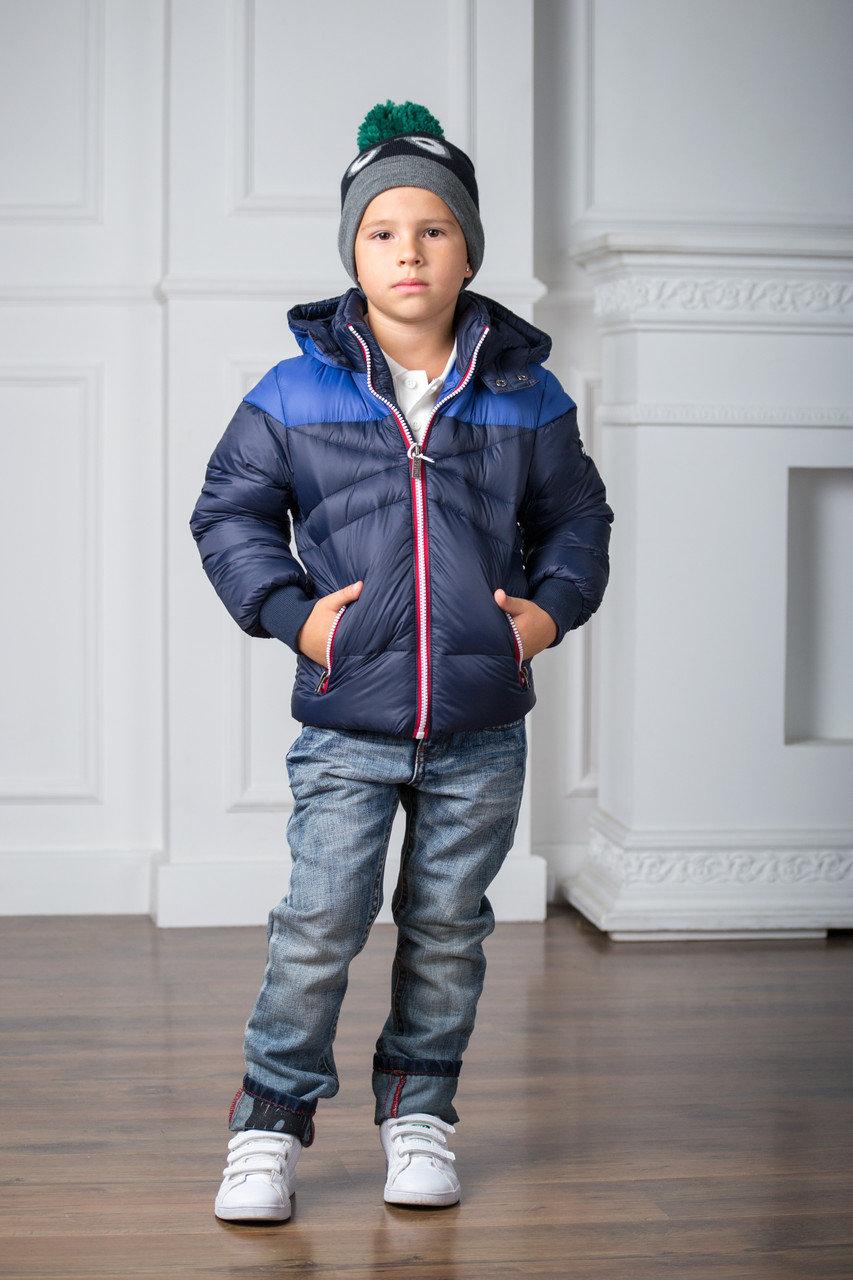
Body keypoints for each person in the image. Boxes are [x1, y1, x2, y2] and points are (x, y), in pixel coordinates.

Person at [190, 100, 614, 1223]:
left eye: (433, 229)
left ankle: (419, 1114)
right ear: (353, 253)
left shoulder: (525, 394)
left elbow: (578, 520)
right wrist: (296, 617)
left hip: (481, 726)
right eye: (382, 232)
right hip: (347, 721)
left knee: (447, 930)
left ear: (468, 250)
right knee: (319, 923)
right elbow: (229, 514)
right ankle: (266, 1125)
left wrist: (545, 616)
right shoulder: (294, 392)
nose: (409, 251)